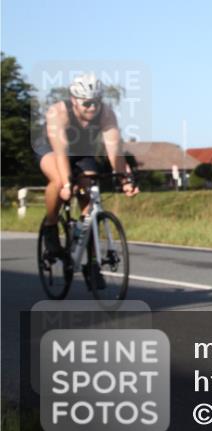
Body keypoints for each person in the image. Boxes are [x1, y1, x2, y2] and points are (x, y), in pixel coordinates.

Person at [35, 73, 138, 284]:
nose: (92, 108)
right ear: (74, 100)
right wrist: (66, 183)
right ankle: (51, 226)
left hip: (82, 150)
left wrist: (124, 179)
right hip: (51, 148)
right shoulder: (59, 112)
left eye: (97, 102)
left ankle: (92, 262)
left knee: (90, 202)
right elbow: (61, 150)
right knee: (59, 181)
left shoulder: (106, 114)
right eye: (87, 103)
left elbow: (114, 148)